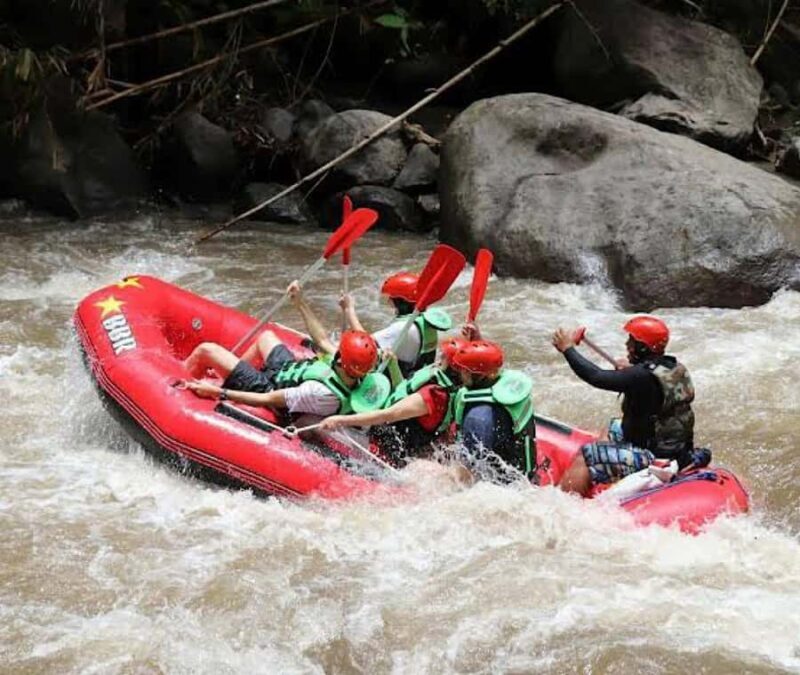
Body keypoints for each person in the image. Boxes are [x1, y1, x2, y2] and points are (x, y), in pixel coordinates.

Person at [551, 315, 695, 496]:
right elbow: (646, 380)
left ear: (643, 347)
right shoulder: (674, 367)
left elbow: (596, 377)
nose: (627, 345)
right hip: (674, 447)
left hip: (655, 457)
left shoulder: (641, 377)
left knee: (586, 455)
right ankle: (608, 474)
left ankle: (564, 503)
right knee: (613, 427)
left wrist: (568, 349)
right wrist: (633, 367)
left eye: (632, 341)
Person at [318, 336, 468, 464]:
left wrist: (340, 420)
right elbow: (402, 391)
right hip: (390, 438)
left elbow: (386, 415)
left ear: (452, 367)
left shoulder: (433, 396)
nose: (439, 357)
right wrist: (393, 364)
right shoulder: (453, 387)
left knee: (314, 426)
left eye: (443, 356)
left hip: (384, 449)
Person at [185, 329, 381, 421]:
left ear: (340, 358)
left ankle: (182, 381)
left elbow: (267, 398)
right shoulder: (357, 372)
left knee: (206, 350)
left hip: (270, 388)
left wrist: (220, 392)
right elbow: (321, 338)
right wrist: (299, 301)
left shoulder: (319, 392)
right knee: (266, 337)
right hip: (285, 371)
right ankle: (228, 374)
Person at [449, 340, 537, 484]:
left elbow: (467, 472)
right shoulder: (508, 385)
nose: (460, 372)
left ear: (484, 375)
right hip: (525, 478)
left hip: (500, 490)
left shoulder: (478, 418)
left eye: (466, 370)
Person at [340, 271, 452, 377]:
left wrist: (349, 309)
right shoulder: (424, 321)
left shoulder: (403, 328)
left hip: (401, 383)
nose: (389, 301)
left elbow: (365, 343)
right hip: (419, 377)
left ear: (401, 302)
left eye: (392, 298)